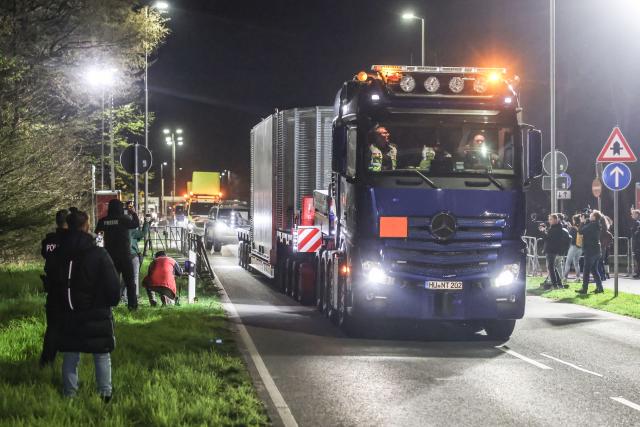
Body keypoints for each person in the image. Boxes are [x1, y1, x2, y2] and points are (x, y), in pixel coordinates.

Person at [49, 209, 121, 400]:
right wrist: (110, 303)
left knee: (71, 354)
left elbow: (53, 281)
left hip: (68, 311)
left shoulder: (59, 253)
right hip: (97, 311)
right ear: (86, 226)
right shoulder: (98, 253)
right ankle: (105, 395)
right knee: (101, 354)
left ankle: (69, 395)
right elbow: (113, 285)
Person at [95, 199, 140, 310]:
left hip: (109, 257)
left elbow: (99, 239)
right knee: (130, 283)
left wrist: (101, 253)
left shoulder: (102, 221)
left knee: (110, 282)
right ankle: (132, 306)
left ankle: (109, 305)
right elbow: (136, 224)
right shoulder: (124, 219)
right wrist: (133, 213)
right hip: (124, 256)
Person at [39, 209, 68, 367]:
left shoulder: (49, 240)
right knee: (70, 323)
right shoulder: (70, 240)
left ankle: (47, 359)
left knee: (53, 326)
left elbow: (45, 254)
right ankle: (69, 358)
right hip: (68, 288)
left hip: (52, 287)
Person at [577, 210, 604, 294]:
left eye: (591, 215)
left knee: (586, 271)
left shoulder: (592, 225)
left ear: (594, 217)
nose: (589, 216)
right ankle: (600, 288)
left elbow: (580, 231)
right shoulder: (597, 225)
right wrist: (585, 222)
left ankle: (584, 289)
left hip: (590, 250)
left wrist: (581, 222)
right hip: (597, 250)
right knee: (594, 270)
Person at [539, 214, 565, 289]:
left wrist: (543, 231)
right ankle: (559, 284)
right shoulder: (556, 227)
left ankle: (555, 285)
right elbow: (550, 236)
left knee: (551, 268)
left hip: (551, 250)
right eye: (549, 219)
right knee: (553, 267)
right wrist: (545, 230)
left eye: (551, 219)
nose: (549, 221)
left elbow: (547, 238)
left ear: (555, 220)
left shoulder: (556, 228)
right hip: (552, 249)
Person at [129, 214, 150, 298]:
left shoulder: (119, 229)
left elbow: (137, 239)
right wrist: (146, 222)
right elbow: (143, 233)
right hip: (133, 255)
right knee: (135, 276)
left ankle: (123, 295)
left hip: (122, 255)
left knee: (125, 277)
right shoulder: (131, 230)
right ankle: (135, 294)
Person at [563, 214, 583, 281]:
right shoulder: (581, 227)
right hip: (580, 247)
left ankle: (565, 277)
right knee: (576, 263)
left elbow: (570, 237)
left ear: (574, 220)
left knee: (568, 262)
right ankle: (578, 277)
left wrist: (569, 229)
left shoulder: (573, 228)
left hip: (573, 246)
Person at [631, 210, 640, 279]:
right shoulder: (636, 223)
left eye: (633, 214)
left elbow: (635, 234)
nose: (632, 215)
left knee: (638, 259)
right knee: (637, 259)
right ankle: (637, 273)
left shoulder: (637, 223)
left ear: (637, 214)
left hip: (637, 244)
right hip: (637, 244)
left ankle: (638, 273)